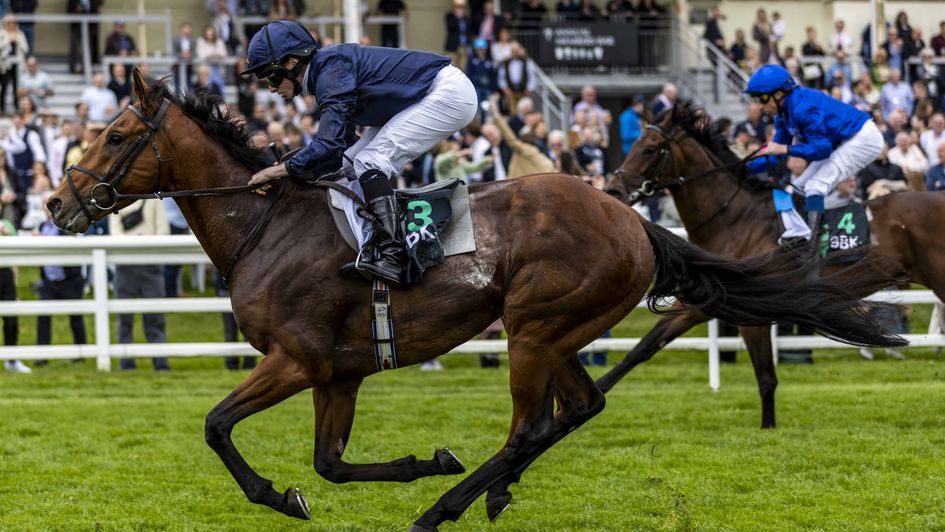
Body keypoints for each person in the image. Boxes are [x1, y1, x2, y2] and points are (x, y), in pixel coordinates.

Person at [241, 21, 477, 287]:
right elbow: (337, 152)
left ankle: (392, 255)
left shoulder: (331, 72)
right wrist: (291, 171)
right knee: (349, 165)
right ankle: (370, 249)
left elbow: (328, 143)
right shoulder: (327, 73)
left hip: (448, 93)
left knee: (369, 161)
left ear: (292, 62)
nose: (271, 88)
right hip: (427, 94)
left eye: (271, 78)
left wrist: (280, 170)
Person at [744, 64, 885, 244]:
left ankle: (812, 245)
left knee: (815, 186)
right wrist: (745, 167)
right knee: (795, 188)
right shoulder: (782, 115)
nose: (759, 105)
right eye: (754, 99)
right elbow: (775, 155)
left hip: (864, 138)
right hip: (842, 141)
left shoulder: (803, 108)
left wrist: (786, 149)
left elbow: (822, 149)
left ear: (779, 94)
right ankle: (798, 235)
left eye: (762, 98)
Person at [110, 198, 171, 371]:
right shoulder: (116, 201)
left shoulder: (154, 201)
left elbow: (163, 231)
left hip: (150, 265)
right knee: (124, 319)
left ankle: (160, 362)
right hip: (126, 266)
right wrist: (140, 241)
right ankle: (126, 361)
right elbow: (115, 233)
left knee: (155, 318)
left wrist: (138, 241)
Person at [34, 192, 87, 367]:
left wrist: (43, 242)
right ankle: (42, 355)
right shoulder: (41, 226)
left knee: (75, 317)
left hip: (69, 280)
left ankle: (81, 352)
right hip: (49, 280)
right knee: (43, 317)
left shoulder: (67, 225)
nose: (47, 208)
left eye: (50, 204)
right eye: (44, 204)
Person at [0, 15, 28, 116]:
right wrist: (8, 40)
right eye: (9, 23)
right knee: (4, 86)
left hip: (17, 64)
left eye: (13, 22)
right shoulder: (2, 34)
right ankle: (2, 109)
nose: (11, 25)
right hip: (5, 64)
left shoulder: (20, 34)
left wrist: (18, 41)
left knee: (17, 87)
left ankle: (17, 108)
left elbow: (26, 49)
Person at [68, 0, 103, 74]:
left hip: (88, 27)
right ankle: (72, 68)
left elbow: (96, 9)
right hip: (76, 26)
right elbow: (68, 11)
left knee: (87, 47)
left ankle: (85, 68)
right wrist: (76, 10)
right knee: (74, 47)